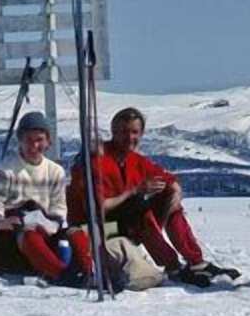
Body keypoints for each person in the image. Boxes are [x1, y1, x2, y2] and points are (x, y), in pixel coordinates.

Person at [69, 107, 240, 288]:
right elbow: (97, 208)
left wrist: (175, 191)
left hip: (126, 224)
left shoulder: (135, 160)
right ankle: (173, 266)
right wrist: (134, 191)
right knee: (137, 206)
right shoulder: (95, 161)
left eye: (134, 132)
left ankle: (195, 261)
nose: (130, 138)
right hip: (94, 230)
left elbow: (167, 179)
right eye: (124, 132)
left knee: (167, 195)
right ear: (114, 133)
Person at [0, 111, 92, 287]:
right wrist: (1, 221)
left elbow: (59, 208)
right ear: (20, 141)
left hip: (46, 227)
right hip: (10, 235)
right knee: (29, 234)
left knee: (76, 234)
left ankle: (89, 273)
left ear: (48, 141)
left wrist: (51, 223)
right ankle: (61, 274)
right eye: (29, 140)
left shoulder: (55, 172)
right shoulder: (3, 171)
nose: (34, 146)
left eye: (39, 140)